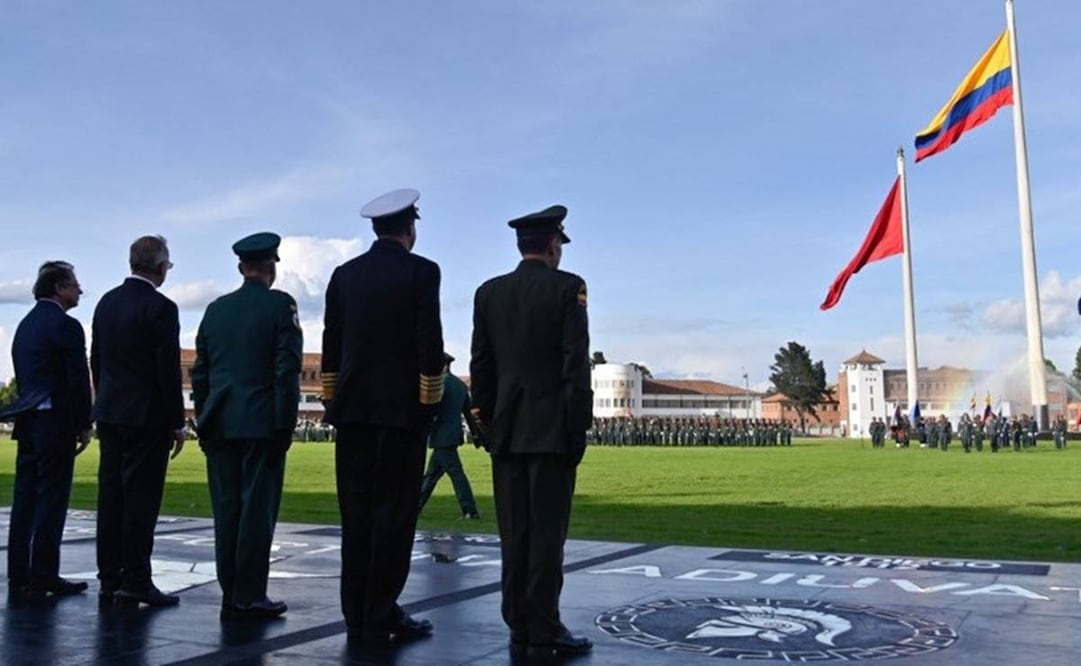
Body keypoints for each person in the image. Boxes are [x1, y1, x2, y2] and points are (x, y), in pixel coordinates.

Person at [470, 204, 593, 658]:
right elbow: (575, 365)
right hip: (551, 430)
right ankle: (544, 625)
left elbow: (481, 364)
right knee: (546, 535)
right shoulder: (568, 288)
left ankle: (518, 621)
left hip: (506, 430)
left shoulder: (489, 292)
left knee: (514, 532)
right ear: (554, 245)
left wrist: (486, 419)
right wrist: (578, 424)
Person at [321, 188, 444, 643]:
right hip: (401, 413)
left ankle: (355, 610)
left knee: (356, 513)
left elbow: (331, 344)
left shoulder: (344, 275)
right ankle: (381, 609)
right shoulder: (422, 272)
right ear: (410, 228)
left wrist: (333, 400)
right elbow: (429, 342)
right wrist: (429, 402)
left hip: (352, 412)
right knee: (394, 515)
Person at [191, 232, 302, 620]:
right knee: (257, 511)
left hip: (220, 422)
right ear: (272, 266)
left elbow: (201, 372)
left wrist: (204, 416)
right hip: (261, 423)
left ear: (241, 268)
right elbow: (286, 369)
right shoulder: (281, 306)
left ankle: (231, 589)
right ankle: (250, 592)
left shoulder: (215, 309)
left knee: (226, 511)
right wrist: (285, 423)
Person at [91, 236, 186, 607]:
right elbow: (167, 370)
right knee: (141, 501)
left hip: (111, 412)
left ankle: (109, 577)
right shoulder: (161, 308)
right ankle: (136, 579)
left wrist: (103, 400)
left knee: (110, 496)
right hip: (146, 418)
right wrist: (177, 421)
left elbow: (97, 359)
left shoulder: (107, 303)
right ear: (161, 267)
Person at [1, 261, 92, 601]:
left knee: (24, 499)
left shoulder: (25, 325)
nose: (80, 290)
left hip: (28, 422)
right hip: (56, 424)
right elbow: (77, 378)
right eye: (74, 284)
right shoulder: (66, 326)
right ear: (59, 288)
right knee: (53, 500)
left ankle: (19, 573)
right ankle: (44, 574)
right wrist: (84, 423)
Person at [419, 353, 481, 519]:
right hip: (452, 435)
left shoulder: (440, 384)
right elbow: (468, 414)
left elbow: (432, 410)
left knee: (456, 475)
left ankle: (470, 510)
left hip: (441, 436)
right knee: (431, 475)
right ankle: (415, 507)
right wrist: (476, 435)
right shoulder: (460, 386)